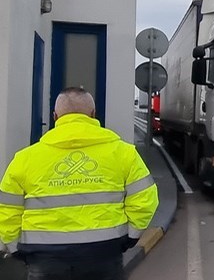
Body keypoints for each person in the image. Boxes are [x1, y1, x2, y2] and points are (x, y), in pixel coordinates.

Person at [0, 87, 159, 280]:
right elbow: (145, 200)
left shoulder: (25, 159)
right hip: (104, 255)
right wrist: (129, 237)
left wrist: (16, 247)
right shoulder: (124, 153)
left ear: (55, 116)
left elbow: (6, 209)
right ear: (93, 114)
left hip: (45, 259)